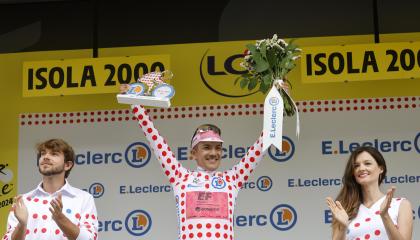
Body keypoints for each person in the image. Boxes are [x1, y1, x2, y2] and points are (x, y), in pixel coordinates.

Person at [2, 139, 98, 240]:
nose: (46, 157)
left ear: (67, 165)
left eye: (54, 154)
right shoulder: (23, 201)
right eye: (43, 154)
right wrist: (21, 225)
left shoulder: (83, 199)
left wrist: (60, 218)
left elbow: (90, 238)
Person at [326, 146, 413, 240]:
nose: (361, 168)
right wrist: (342, 228)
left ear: (381, 168)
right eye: (356, 166)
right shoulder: (345, 208)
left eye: (367, 163)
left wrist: (385, 216)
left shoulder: (401, 205)